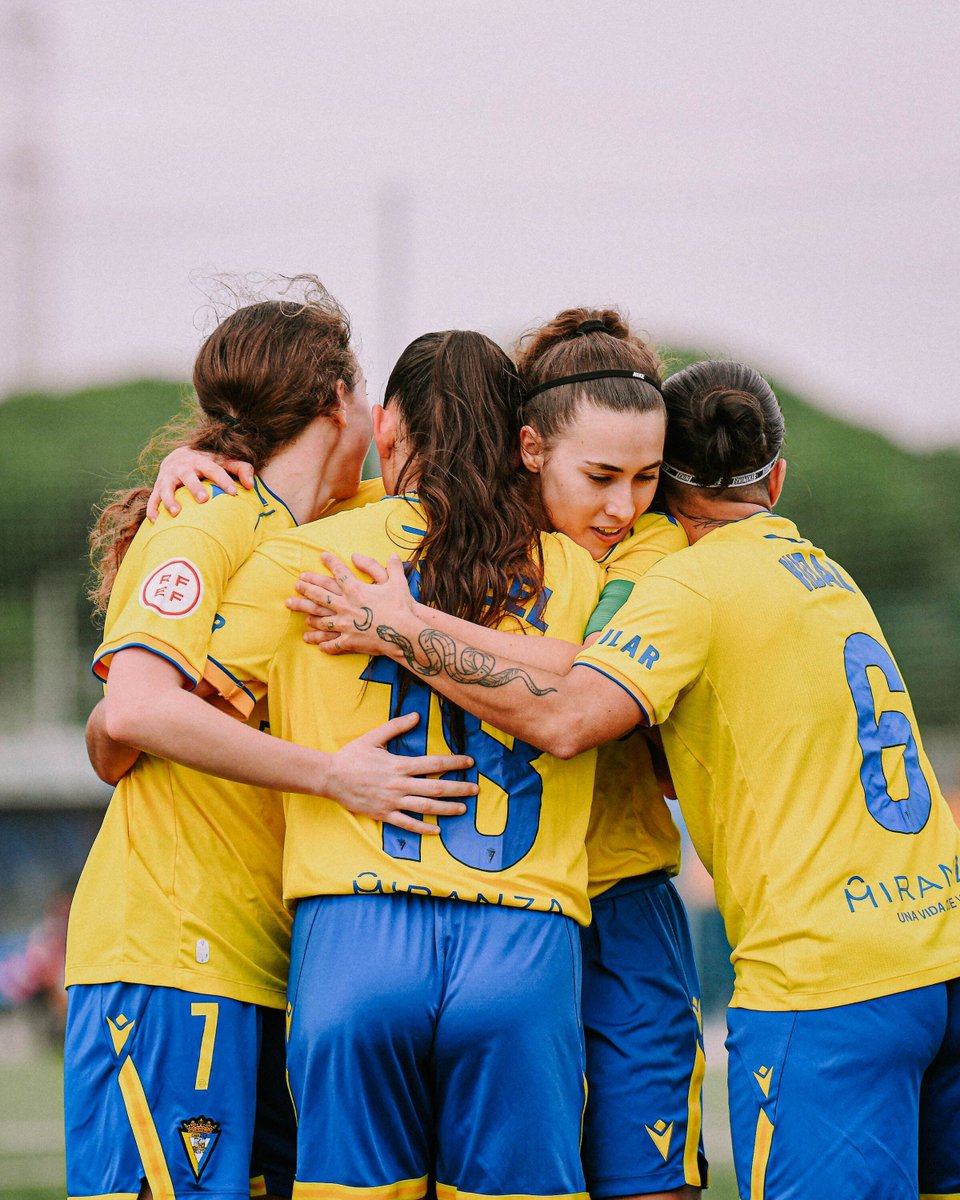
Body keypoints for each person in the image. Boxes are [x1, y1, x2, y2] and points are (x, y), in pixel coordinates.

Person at [312, 359, 960, 1200]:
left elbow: (569, 718)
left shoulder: (689, 583)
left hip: (830, 982)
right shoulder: (826, 571)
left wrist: (402, 628)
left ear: (662, 487)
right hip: (939, 946)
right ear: (776, 479)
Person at [158, 308, 707, 1199]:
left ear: (386, 429)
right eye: (605, 474)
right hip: (525, 935)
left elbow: (179, 713)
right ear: (521, 444)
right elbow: (590, 678)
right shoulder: (580, 570)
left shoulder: (306, 553)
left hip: (353, 934)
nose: (623, 501)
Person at [68, 283, 475, 1200]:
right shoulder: (206, 514)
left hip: (265, 964)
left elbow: (117, 732)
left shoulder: (329, 525)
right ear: (337, 399)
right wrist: (335, 776)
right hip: (172, 950)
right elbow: (131, 716)